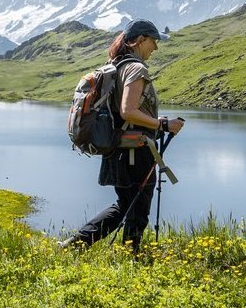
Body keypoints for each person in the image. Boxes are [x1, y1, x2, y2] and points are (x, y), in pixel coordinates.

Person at [60, 19, 183, 252]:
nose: (155, 47)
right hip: (135, 150)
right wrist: (163, 124)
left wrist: (155, 122)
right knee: (138, 207)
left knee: (125, 204)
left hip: (118, 147)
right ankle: (131, 256)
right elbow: (128, 111)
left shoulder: (115, 65)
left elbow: (125, 111)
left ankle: (75, 245)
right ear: (140, 40)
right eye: (153, 41)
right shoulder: (136, 68)